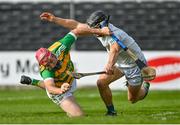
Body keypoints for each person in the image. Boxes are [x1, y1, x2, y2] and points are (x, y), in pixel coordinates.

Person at [37, 11, 156, 116]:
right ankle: (111, 112)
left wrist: (109, 65)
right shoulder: (99, 30)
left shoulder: (115, 34)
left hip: (134, 66)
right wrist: (54, 19)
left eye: (94, 28)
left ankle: (145, 86)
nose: (92, 30)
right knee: (101, 83)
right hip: (120, 64)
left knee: (132, 99)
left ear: (101, 24)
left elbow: (114, 49)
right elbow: (76, 26)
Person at [20, 12, 111, 117]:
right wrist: (61, 90)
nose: (51, 65)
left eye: (50, 60)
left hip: (70, 79)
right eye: (48, 64)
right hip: (59, 90)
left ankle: (32, 81)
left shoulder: (60, 47)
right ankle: (35, 82)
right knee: (79, 116)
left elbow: (76, 30)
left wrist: (99, 32)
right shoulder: (46, 71)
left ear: (53, 55)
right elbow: (50, 88)